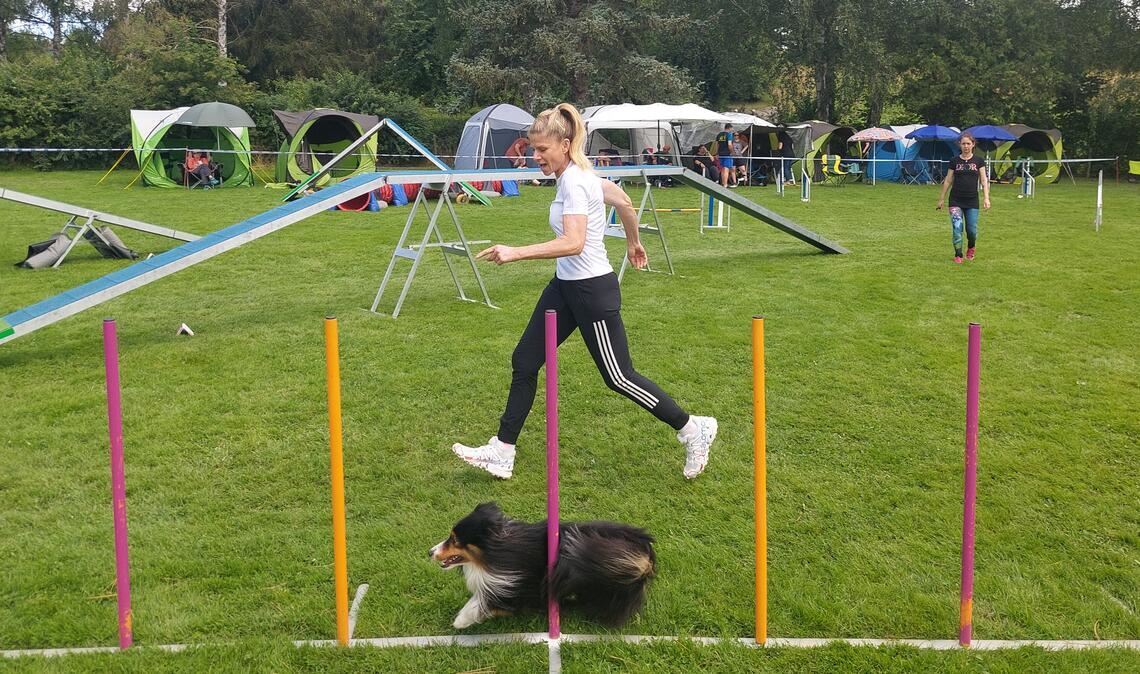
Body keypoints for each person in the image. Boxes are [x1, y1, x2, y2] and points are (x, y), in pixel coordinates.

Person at [452, 103, 718, 480]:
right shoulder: (579, 176)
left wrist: (516, 252)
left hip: (592, 291)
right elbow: (625, 202)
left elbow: (574, 242)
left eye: (542, 149)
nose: (535, 156)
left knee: (619, 377)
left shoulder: (576, 182)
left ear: (564, 143)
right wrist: (633, 243)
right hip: (565, 287)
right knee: (525, 360)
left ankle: (693, 429)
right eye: (533, 149)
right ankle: (502, 451)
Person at [937, 132, 990, 263]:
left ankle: (971, 247)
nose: (966, 146)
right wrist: (942, 199)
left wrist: (986, 198)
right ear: (959, 145)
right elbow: (948, 180)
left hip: (972, 201)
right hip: (955, 200)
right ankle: (958, 254)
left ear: (973, 145)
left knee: (971, 230)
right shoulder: (954, 161)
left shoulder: (979, 161)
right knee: (957, 227)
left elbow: (984, 180)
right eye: (963, 144)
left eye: (968, 143)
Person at [714, 123, 735, 187]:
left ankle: (723, 183)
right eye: (732, 128)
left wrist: (717, 153)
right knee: (726, 169)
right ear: (729, 128)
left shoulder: (719, 135)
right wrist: (732, 152)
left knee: (723, 169)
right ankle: (725, 184)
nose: (732, 130)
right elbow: (729, 144)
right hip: (727, 154)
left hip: (720, 154)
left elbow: (717, 145)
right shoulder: (729, 135)